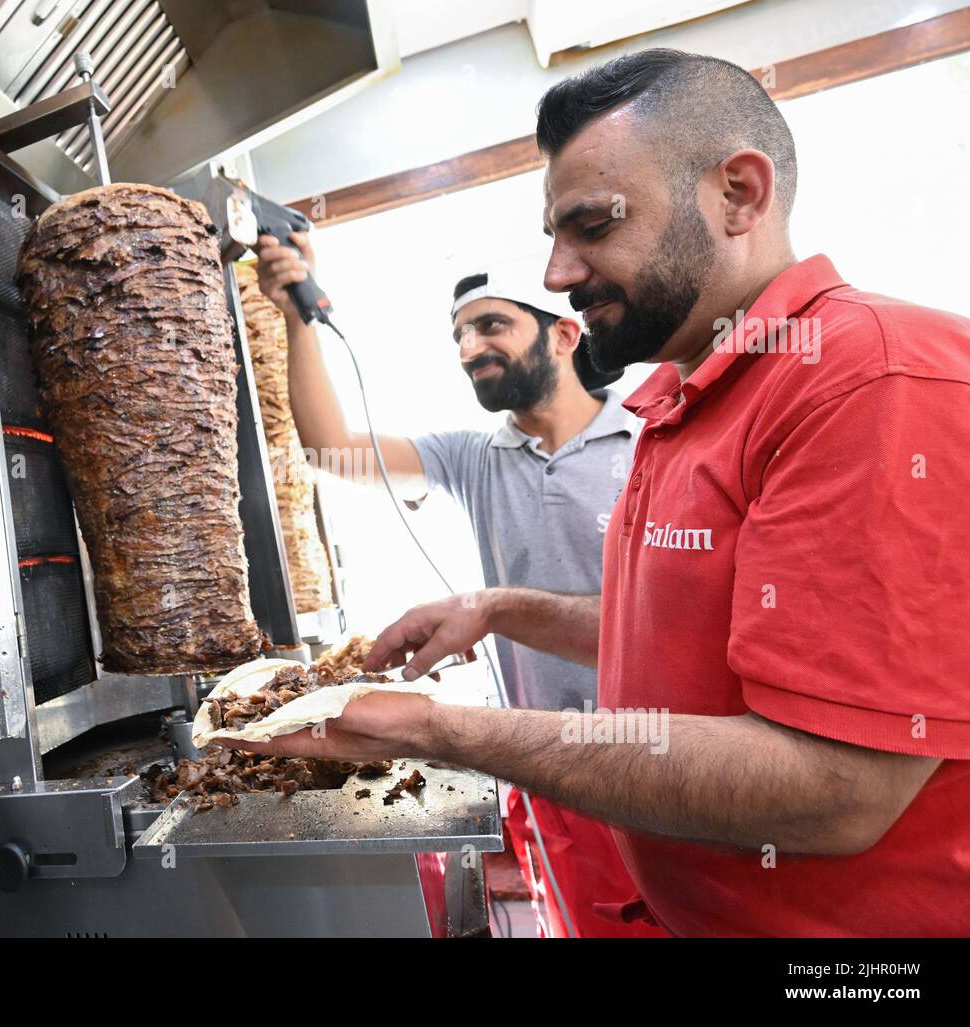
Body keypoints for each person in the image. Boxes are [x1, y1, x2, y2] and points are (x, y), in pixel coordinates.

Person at [239, 48, 970, 937]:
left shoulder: (868, 383)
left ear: (738, 194)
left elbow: (837, 788)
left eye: (592, 225)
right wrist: (498, 607)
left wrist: (440, 730)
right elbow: (680, 633)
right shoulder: (682, 399)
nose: (558, 272)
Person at [251, 239, 662, 937]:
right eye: (461, 334)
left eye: (492, 325)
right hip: (545, 772)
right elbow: (329, 449)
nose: (471, 346)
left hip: (657, 765)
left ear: (563, 333)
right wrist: (297, 317)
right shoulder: (472, 457)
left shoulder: (650, 435)